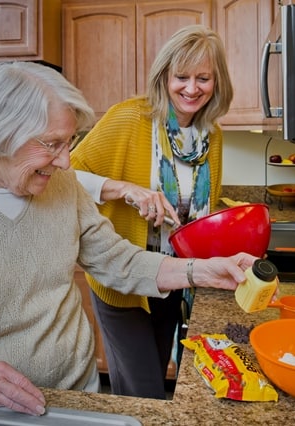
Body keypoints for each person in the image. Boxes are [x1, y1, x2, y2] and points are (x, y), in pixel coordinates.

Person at [0, 61, 253, 416]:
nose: (66, 162)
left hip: (71, 398)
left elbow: (119, 262)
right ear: (2, 133)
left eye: (70, 143)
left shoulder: (63, 185)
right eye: (52, 144)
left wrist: (202, 270)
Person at [70, 25, 234, 399]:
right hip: (122, 280)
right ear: (164, 77)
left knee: (158, 383)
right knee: (142, 394)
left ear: (216, 81)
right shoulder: (130, 119)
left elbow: (203, 216)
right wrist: (125, 190)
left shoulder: (213, 135)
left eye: (203, 78)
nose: (192, 88)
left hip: (176, 279)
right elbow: (66, 174)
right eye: (182, 77)